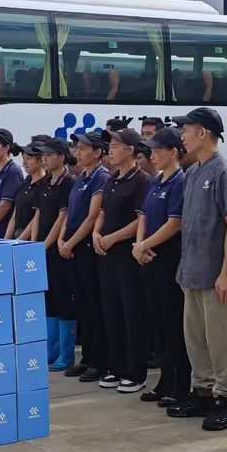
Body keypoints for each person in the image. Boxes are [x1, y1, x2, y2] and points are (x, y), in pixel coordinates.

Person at [167, 106, 227, 431]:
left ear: (203, 133)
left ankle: (225, 399)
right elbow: (190, 225)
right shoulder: (193, 173)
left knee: (221, 340)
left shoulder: (224, 171)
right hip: (192, 273)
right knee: (196, 339)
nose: (182, 135)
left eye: (187, 129)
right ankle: (201, 392)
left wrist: (226, 273)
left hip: (215, 276)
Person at [92, 129, 152, 392]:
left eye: (115, 146)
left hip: (127, 255)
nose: (110, 150)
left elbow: (141, 220)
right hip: (106, 254)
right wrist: (96, 233)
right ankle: (115, 367)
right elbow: (102, 212)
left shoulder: (141, 181)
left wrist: (112, 238)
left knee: (132, 312)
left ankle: (135, 372)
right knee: (112, 311)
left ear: (130, 150)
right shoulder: (112, 180)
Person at [134, 127, 189, 406]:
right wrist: (139, 245)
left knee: (173, 323)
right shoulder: (156, 181)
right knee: (157, 322)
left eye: (158, 150)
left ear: (174, 152)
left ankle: (180, 383)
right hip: (149, 259)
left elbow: (174, 223)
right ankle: (165, 379)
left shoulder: (180, 181)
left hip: (168, 261)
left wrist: (144, 245)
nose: (152, 155)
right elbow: (143, 215)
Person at [57, 133, 111, 383]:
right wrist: (62, 239)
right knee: (82, 305)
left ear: (98, 152)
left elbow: (92, 217)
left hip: (86, 246)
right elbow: (69, 213)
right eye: (77, 148)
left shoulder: (101, 178)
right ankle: (87, 357)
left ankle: (99, 361)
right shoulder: (80, 178)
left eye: (84, 148)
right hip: (71, 245)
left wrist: (70, 242)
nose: (78, 152)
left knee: (93, 305)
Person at [34, 141, 77, 368]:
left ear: (61, 156)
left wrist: (47, 244)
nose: (44, 159)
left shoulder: (68, 182)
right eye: (43, 155)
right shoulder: (45, 182)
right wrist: (34, 244)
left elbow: (63, 217)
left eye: (49, 155)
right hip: (42, 247)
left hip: (56, 249)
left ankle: (66, 354)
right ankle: (50, 351)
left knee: (63, 299)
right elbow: (38, 215)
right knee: (49, 299)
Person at [8, 142, 44, 239]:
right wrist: (6, 240)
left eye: (28, 158)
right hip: (17, 237)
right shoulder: (24, 183)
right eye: (23, 158)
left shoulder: (45, 185)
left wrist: (20, 240)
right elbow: (15, 215)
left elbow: (36, 218)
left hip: (31, 239)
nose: (24, 162)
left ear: (41, 160)